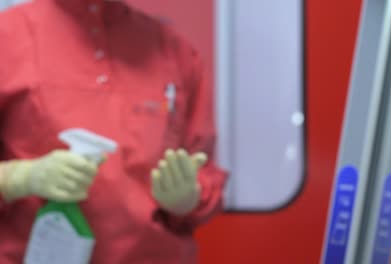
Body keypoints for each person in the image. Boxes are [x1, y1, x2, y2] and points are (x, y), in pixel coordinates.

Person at [0, 0, 228, 263]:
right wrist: (20, 178)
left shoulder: (176, 52)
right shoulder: (9, 37)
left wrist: (187, 197)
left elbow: (204, 173)